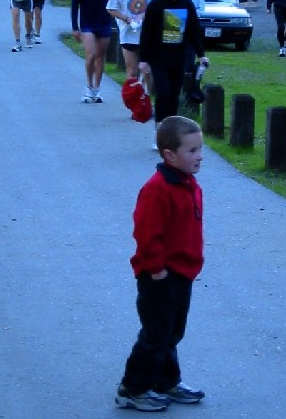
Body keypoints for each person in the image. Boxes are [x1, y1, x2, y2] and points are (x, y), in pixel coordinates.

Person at [115, 115, 206, 413]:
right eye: (192, 151)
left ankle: (165, 381)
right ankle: (133, 388)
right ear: (169, 155)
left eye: (200, 149)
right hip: (159, 275)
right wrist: (156, 268)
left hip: (182, 272)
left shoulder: (188, 183)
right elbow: (145, 232)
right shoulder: (158, 189)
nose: (199, 156)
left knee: (173, 331)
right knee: (156, 334)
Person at [138, 0, 208, 150]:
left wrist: (201, 55)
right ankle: (159, 131)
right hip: (158, 58)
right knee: (164, 93)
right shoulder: (156, 5)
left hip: (178, 58)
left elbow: (194, 31)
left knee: (174, 96)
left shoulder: (187, 4)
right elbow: (146, 34)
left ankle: (170, 135)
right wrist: (143, 60)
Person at [71, 0, 115, 103]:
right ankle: (88, 86)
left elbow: (113, 0)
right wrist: (75, 27)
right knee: (91, 55)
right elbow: (75, 4)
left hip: (104, 22)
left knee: (100, 57)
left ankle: (97, 88)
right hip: (87, 23)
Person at [107, 0, 158, 79]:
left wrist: (144, 15)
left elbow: (156, 4)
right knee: (132, 70)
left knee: (147, 71)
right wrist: (127, 19)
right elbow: (110, 9)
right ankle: (131, 96)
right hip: (128, 35)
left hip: (146, 34)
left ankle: (145, 96)